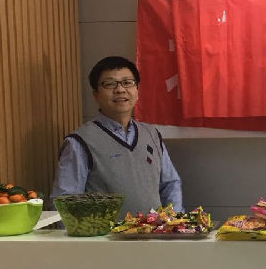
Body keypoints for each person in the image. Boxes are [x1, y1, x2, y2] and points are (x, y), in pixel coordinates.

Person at [51, 56, 183, 216]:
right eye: (110, 84)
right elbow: (64, 203)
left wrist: (175, 223)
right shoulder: (80, 142)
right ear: (96, 94)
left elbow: (170, 184)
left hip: (155, 231)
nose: (120, 90)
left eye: (127, 82)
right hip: (107, 233)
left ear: (137, 90)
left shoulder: (151, 134)